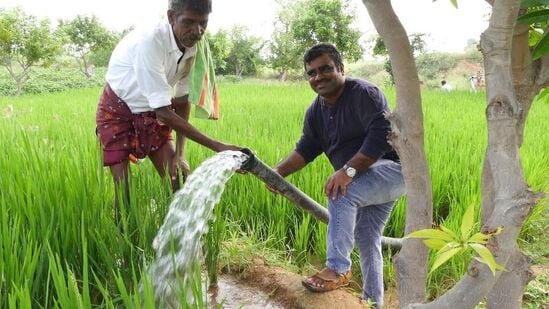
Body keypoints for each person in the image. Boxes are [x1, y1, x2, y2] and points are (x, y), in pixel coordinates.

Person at [270, 43, 405, 308]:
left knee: (340, 191)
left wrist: (348, 171)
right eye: (311, 73)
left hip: (391, 170)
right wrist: (277, 173)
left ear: (341, 68)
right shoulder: (316, 111)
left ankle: (337, 268)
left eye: (325, 69)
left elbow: (380, 135)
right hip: (366, 180)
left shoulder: (364, 93)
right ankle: (373, 302)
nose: (318, 76)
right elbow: (307, 148)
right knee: (367, 239)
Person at [96, 0, 240, 212]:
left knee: (178, 179)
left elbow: (181, 101)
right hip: (117, 110)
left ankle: (186, 242)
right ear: (171, 17)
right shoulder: (151, 41)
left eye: (203, 23)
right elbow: (164, 113)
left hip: (152, 110)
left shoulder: (193, 48)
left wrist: (180, 154)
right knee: (123, 189)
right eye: (189, 22)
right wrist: (217, 146)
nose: (197, 31)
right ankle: (123, 239)